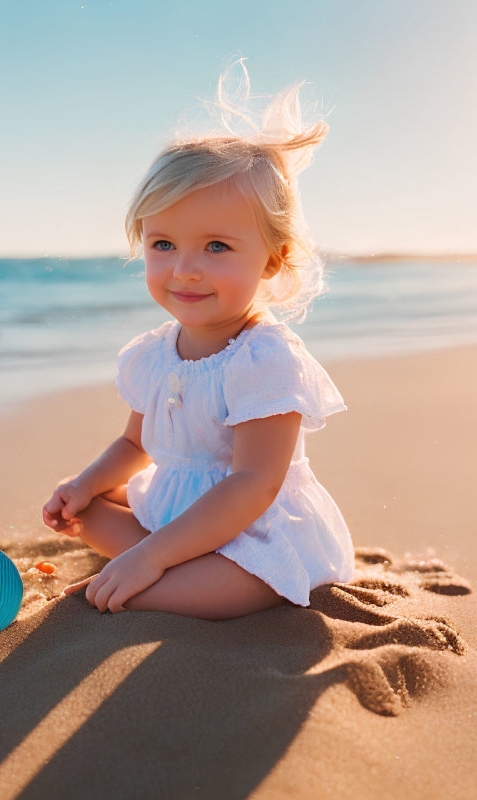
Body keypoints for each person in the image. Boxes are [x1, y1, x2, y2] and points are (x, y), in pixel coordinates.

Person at [42, 62, 354, 620]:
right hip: (175, 513)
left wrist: (152, 558)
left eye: (216, 247)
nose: (184, 269)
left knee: (232, 585)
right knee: (84, 512)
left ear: (273, 260)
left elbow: (254, 485)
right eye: (163, 243)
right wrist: (85, 483)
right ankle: (151, 567)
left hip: (250, 529)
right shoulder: (152, 354)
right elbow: (136, 446)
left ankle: (149, 577)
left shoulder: (265, 358)